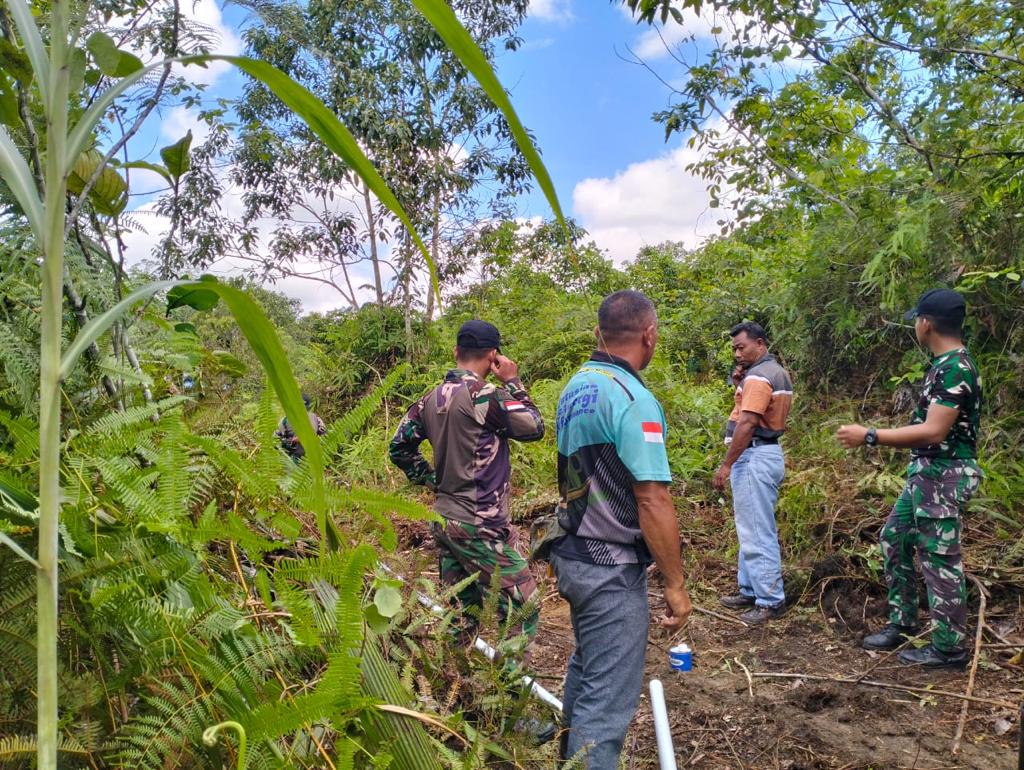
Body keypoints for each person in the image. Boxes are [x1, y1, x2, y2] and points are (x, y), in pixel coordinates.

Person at [549, 290, 692, 769]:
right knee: (606, 707)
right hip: (609, 566)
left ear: (599, 333)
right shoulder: (633, 398)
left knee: (588, 671)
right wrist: (675, 583)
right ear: (649, 335)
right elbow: (652, 497)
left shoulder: (577, 385)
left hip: (574, 556)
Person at [838, 289, 981, 669]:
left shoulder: (956, 367)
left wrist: (870, 435)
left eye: (917, 319)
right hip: (926, 474)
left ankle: (949, 648)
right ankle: (902, 622)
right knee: (894, 537)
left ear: (927, 323)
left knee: (939, 558)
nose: (916, 325)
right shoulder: (943, 364)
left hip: (944, 475)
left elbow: (934, 431)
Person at [388, 320, 545, 651]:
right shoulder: (484, 396)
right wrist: (513, 381)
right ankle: (507, 693)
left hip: (446, 520)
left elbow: (398, 447)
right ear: (493, 356)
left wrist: (432, 480)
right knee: (524, 608)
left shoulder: (430, 398)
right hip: (479, 525)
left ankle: (453, 689)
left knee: (461, 615)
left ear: (456, 352)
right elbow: (533, 426)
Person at [712, 321, 793, 624]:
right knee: (751, 527)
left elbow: (747, 423)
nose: (737, 353)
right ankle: (750, 589)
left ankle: (770, 600)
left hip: (754, 455)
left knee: (757, 531)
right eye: (734, 348)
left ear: (760, 343)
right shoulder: (772, 372)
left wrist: (727, 463)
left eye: (741, 347)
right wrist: (739, 385)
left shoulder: (759, 377)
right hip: (766, 453)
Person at [276, 394, 327, 462]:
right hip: (292, 455)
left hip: (315, 455)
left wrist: (295, 440)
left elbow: (311, 435)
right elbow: (275, 438)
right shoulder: (285, 420)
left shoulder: (312, 417)